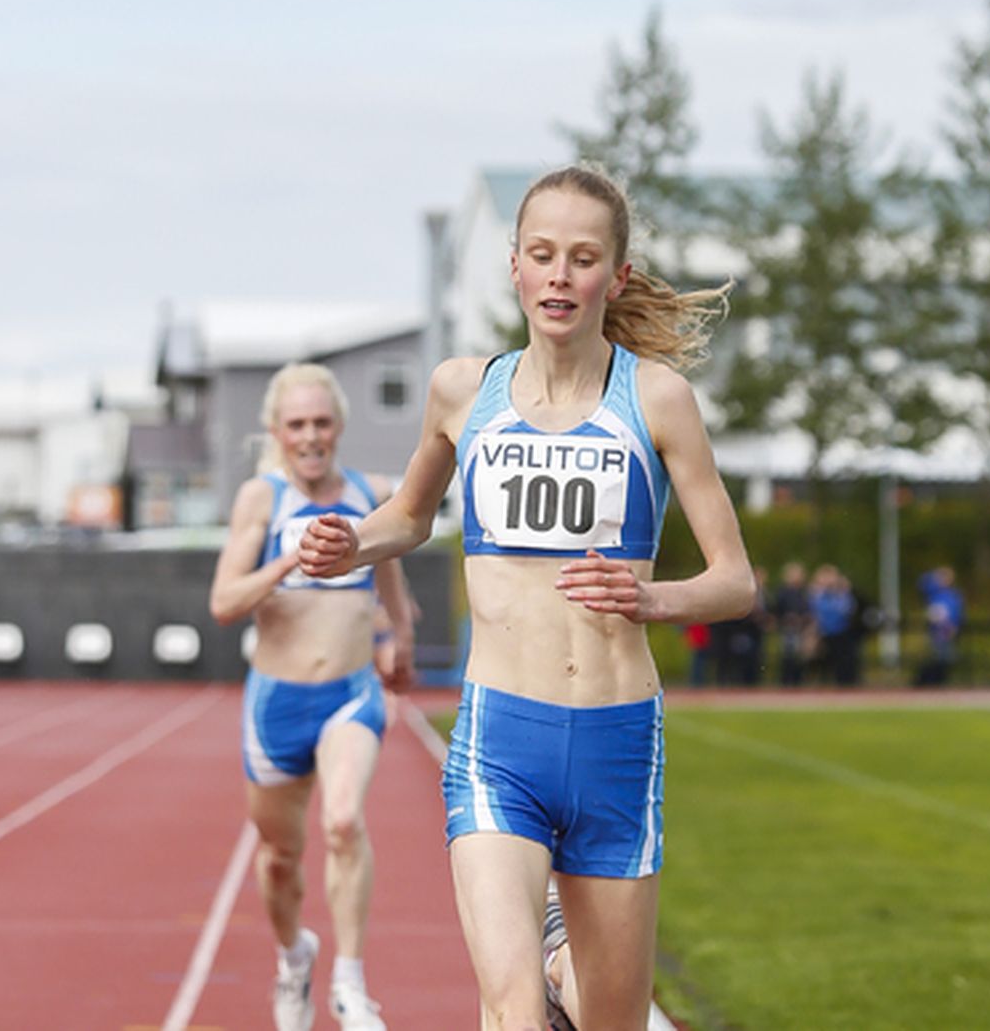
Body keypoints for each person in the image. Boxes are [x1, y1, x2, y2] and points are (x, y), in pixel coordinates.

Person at [299, 165, 754, 1030]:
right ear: (514, 265)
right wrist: (347, 541)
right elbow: (409, 513)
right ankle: (536, 980)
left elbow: (735, 581)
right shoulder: (463, 391)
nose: (559, 274)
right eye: (541, 254)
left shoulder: (657, 400)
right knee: (507, 1014)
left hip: (616, 741)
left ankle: (562, 964)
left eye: (582, 258)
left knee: (606, 1016)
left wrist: (649, 597)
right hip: (500, 738)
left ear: (613, 277)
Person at [208, 362, 417, 1031]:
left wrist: (400, 636)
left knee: (344, 820)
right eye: (296, 424)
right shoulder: (260, 500)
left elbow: (390, 573)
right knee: (280, 858)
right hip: (276, 704)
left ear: (339, 426)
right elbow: (222, 602)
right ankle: (294, 955)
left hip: (350, 694)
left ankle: (351, 984)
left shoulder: (369, 492)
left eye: (321, 421)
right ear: (276, 430)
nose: (310, 435)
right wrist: (288, 558)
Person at [770, 561, 814, 686]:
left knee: (799, 657)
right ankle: (786, 681)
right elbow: (776, 611)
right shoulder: (782, 592)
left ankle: (797, 681)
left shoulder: (804, 592)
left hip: (802, 629)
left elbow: (808, 610)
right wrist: (786, 618)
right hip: (788, 629)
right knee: (788, 656)